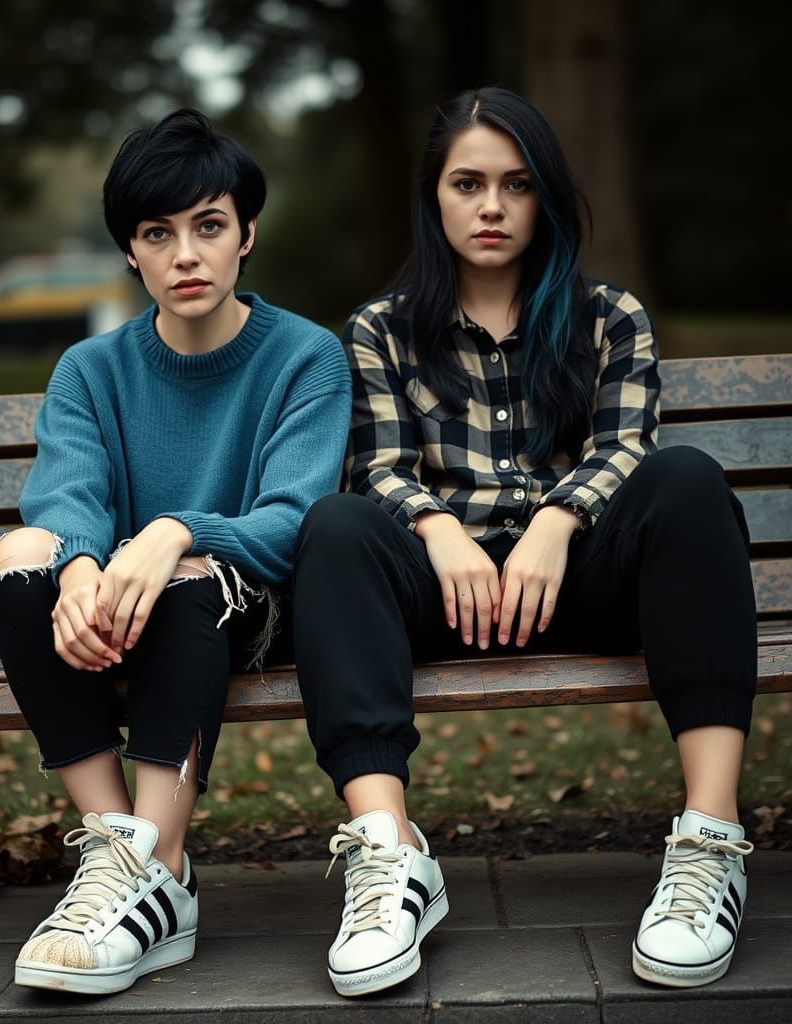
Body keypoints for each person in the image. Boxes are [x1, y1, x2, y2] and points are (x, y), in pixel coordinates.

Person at [292, 86, 756, 996]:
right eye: (468, 183)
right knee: (336, 525)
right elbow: (378, 467)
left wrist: (557, 518)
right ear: (435, 197)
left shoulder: (608, 317)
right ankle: (391, 859)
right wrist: (434, 525)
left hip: (579, 587)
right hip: (446, 600)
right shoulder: (379, 331)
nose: (493, 206)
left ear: (545, 196)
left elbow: (627, 446)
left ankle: (711, 841)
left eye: (516, 184)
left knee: (689, 480)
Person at [0, 108, 351, 996]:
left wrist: (175, 530)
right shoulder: (91, 369)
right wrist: (74, 567)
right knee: (24, 545)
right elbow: (66, 496)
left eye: (209, 226)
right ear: (130, 252)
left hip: (243, 606)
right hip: (112, 616)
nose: (186, 254)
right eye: (158, 233)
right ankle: (129, 860)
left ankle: (158, 861)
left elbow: (294, 520)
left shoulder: (306, 357)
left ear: (246, 235)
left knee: (185, 574)